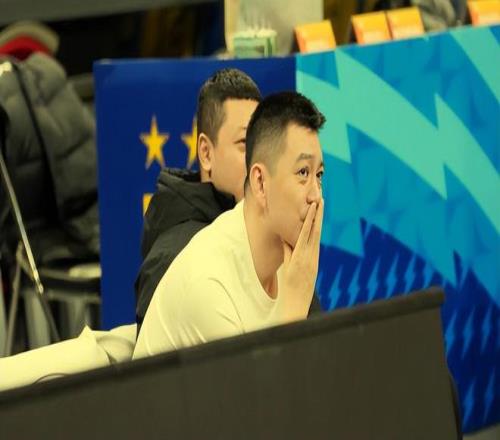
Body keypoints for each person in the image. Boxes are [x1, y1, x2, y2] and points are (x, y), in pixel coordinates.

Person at [133, 91, 325, 358]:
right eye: (303, 172)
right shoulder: (208, 284)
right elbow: (265, 386)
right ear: (260, 183)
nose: (316, 195)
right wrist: (294, 308)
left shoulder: (291, 263)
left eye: (319, 175)